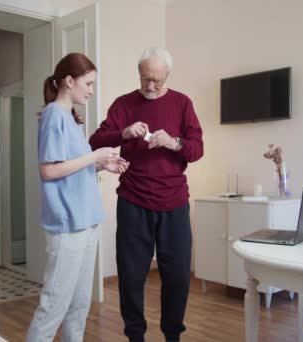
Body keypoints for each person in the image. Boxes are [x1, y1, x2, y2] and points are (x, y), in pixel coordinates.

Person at [89, 47, 204, 342]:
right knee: (130, 276)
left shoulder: (182, 104)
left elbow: (197, 148)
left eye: (157, 80)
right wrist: (123, 133)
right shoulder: (123, 105)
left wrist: (175, 142)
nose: (150, 86)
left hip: (174, 203)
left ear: (167, 76)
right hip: (133, 202)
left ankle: (172, 336)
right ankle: (135, 337)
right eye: (144, 79)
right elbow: (95, 140)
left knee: (177, 278)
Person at [26, 52, 129, 342]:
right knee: (53, 307)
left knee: (79, 305)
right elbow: (48, 170)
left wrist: (102, 164)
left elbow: (71, 165)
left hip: (88, 222)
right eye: (89, 83)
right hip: (67, 225)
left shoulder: (72, 120)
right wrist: (94, 155)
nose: (92, 90)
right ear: (69, 81)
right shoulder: (52, 115)